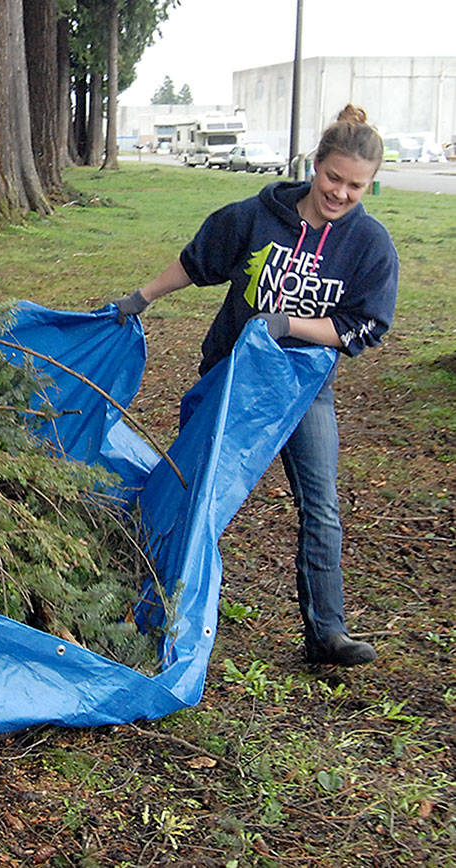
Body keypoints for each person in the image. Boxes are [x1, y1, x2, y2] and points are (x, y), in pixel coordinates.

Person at [111, 105, 397, 668]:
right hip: (230, 381)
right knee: (194, 492)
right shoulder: (257, 217)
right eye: (333, 178)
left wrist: (289, 325)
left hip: (300, 389)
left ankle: (327, 632)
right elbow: (198, 263)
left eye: (356, 186)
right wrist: (140, 298)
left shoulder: (369, 245)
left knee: (321, 504)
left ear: (370, 186)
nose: (340, 193)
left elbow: (362, 328)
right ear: (314, 166)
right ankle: (146, 604)